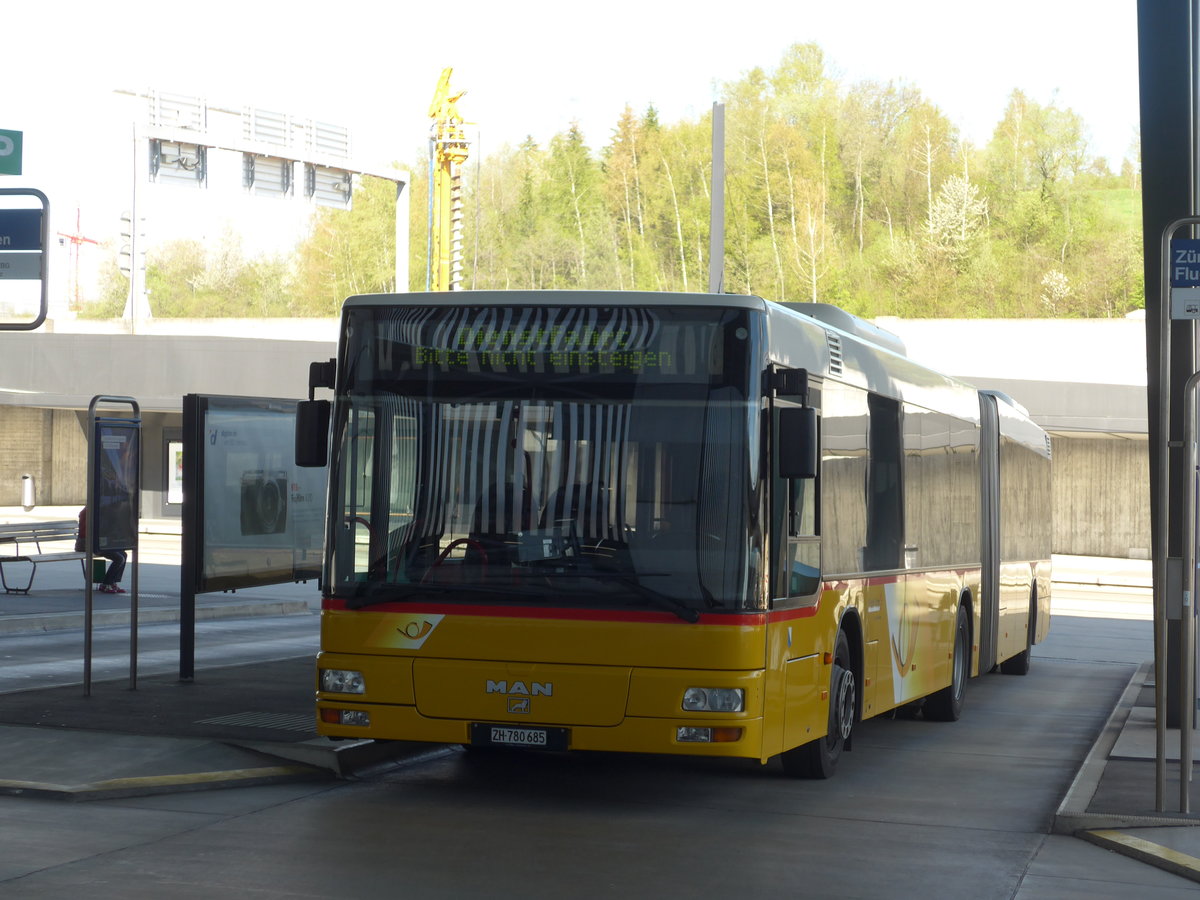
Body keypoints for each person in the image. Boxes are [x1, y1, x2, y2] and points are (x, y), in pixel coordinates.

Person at [75, 507, 127, 594]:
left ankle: (112, 582)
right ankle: (106, 584)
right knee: (119, 558)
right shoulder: (89, 512)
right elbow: (92, 531)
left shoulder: (95, 510)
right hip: (87, 544)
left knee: (123, 554)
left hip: (96, 542)